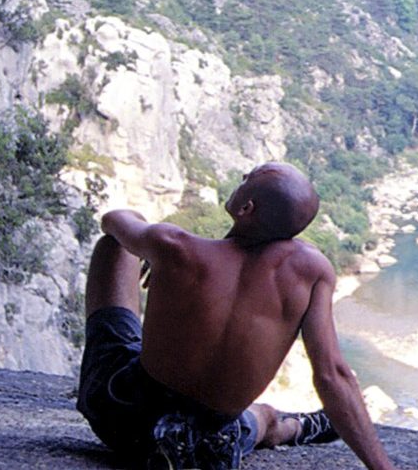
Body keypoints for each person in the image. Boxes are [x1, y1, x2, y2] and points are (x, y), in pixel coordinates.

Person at [76, 162, 395, 470]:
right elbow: (332, 374)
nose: (242, 175)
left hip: (122, 416)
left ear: (246, 209)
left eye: (249, 178)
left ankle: (283, 427)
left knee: (114, 245)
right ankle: (296, 428)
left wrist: (148, 246)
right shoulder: (312, 272)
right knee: (261, 417)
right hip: (208, 448)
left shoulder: (172, 245)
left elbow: (112, 220)